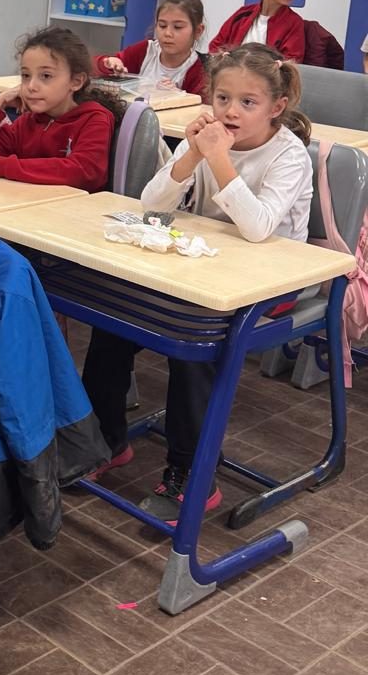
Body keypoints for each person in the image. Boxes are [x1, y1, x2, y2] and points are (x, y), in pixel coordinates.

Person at [82, 44, 313, 520]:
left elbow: (258, 228)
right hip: (207, 270)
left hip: (272, 284)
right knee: (112, 320)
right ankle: (106, 440)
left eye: (247, 102)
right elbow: (152, 203)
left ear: (276, 107)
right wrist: (190, 154)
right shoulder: (207, 140)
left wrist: (218, 158)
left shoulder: (289, 155)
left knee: (194, 340)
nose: (231, 111)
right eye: (222, 98)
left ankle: (191, 472)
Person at [0, 25, 119, 191]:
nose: (31, 86)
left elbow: (83, 173)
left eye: (46, 76)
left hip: (74, 206)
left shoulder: (94, 119)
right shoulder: (27, 122)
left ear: (76, 81)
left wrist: (2, 166)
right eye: (26, 75)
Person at [96, 0, 207, 95]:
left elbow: (202, 106)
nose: (167, 33)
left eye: (178, 27)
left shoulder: (200, 71)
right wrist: (108, 63)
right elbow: (95, 68)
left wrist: (178, 96)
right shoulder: (145, 50)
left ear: (198, 31)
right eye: (162, 26)